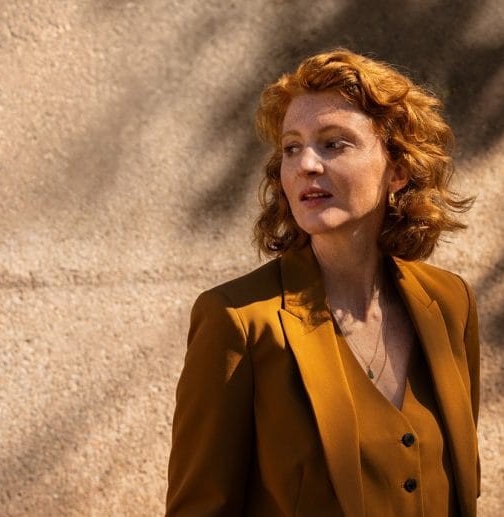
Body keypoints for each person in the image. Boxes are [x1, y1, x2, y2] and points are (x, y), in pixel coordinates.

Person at [166, 49, 480, 517]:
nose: (306, 165)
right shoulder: (238, 322)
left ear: (397, 169)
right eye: (292, 148)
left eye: (334, 144)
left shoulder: (450, 302)